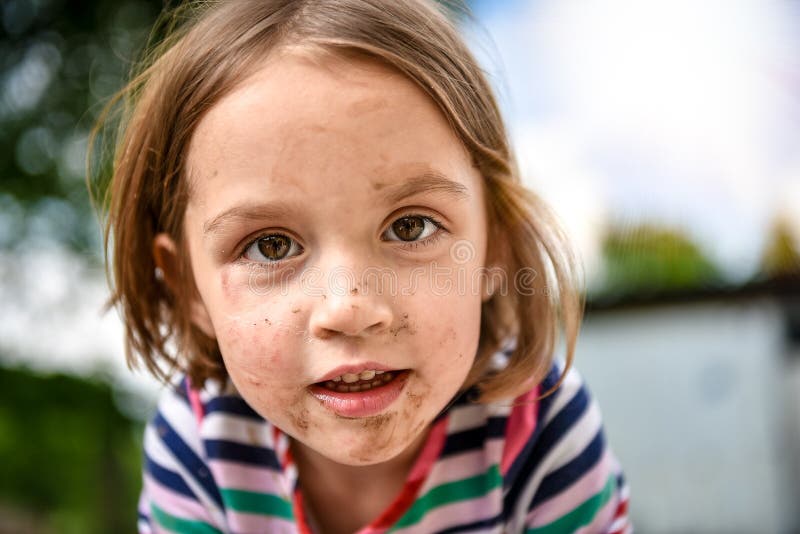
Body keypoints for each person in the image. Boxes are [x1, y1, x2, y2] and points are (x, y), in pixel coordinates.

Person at [91, 0, 631, 532]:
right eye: (271, 246)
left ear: (495, 248)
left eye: (410, 227)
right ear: (187, 285)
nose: (348, 309)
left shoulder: (541, 428)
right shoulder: (198, 445)